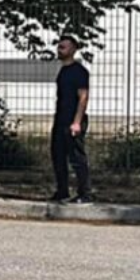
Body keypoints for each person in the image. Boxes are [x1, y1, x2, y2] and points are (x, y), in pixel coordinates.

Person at [51, 36, 93, 204]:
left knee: (77, 158)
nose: (59, 50)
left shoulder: (79, 71)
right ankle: (62, 191)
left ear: (73, 49)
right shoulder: (63, 70)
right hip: (60, 119)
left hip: (73, 120)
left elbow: (83, 97)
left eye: (63, 47)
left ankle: (85, 193)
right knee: (57, 155)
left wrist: (77, 122)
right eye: (59, 47)